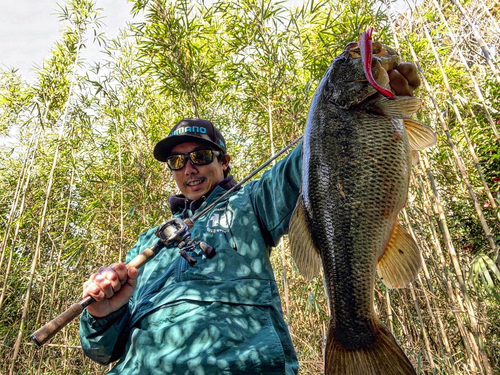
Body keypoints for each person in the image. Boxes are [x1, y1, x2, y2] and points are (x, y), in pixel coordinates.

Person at [79, 59, 421, 374]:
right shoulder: (145, 245)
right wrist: (101, 313)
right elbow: (100, 351)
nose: (190, 168)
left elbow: (314, 157)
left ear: (224, 162)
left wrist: (369, 97)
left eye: (200, 155)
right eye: (178, 161)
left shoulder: (252, 202)